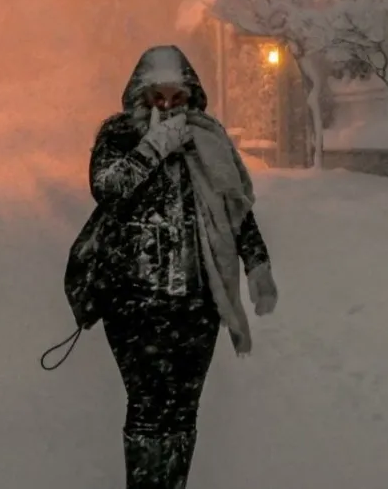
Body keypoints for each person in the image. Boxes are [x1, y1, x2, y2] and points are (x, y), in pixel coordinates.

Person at [60, 45, 279, 488]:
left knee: (183, 408)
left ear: (191, 96)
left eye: (177, 98)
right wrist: (154, 146)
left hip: (196, 304)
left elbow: (234, 206)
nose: (168, 106)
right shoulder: (119, 134)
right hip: (133, 302)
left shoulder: (208, 139)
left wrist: (257, 264)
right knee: (145, 404)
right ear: (141, 95)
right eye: (158, 97)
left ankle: (173, 483)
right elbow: (108, 188)